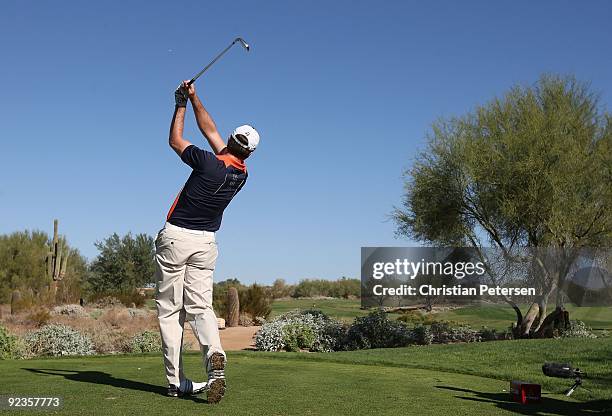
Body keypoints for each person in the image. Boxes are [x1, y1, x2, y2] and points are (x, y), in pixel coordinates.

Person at [154, 81, 260, 403]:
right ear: (250, 153)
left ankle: (176, 382)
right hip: (206, 244)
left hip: (176, 239)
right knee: (201, 307)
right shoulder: (240, 174)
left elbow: (175, 140)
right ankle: (215, 357)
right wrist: (196, 98)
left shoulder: (207, 162)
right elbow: (210, 130)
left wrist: (180, 103)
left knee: (171, 311)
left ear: (230, 141)